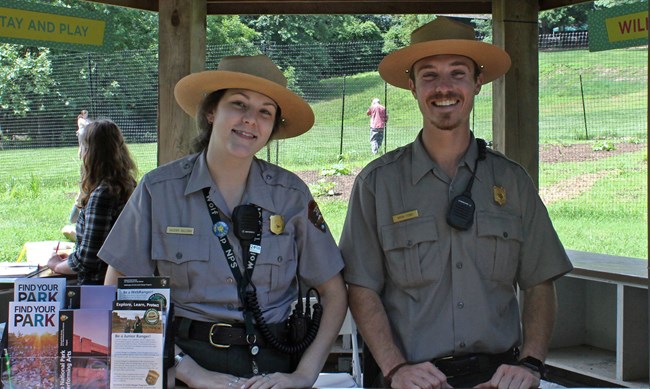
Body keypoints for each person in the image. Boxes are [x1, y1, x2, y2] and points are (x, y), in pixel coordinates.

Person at [340, 16, 574, 389]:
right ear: (412, 87)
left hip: (497, 378)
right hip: (409, 378)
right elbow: (360, 287)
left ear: (477, 83)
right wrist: (397, 368)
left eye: (458, 73)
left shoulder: (511, 181)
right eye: (429, 75)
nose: (443, 87)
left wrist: (530, 363)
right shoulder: (377, 184)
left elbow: (540, 280)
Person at [98, 54, 348, 389]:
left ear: (273, 127)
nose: (250, 120)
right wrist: (190, 372)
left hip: (273, 367)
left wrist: (304, 374)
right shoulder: (159, 191)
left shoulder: (291, 195)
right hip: (181, 363)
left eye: (265, 111)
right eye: (239, 104)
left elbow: (334, 293)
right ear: (211, 111)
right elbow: (119, 291)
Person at [47, 119, 138, 285]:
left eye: (82, 147)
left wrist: (56, 265)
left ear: (91, 152)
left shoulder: (103, 195)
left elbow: (88, 261)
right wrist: (72, 258)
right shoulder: (127, 185)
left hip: (98, 290)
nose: (79, 154)